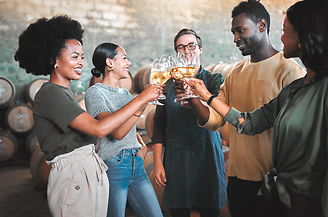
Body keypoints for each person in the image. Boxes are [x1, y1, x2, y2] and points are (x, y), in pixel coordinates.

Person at [186, 0, 328, 217]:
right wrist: (204, 98)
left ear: (307, 34)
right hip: (282, 198)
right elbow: (248, 123)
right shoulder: (297, 88)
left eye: (286, 30)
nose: (281, 36)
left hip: (314, 206)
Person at [13, 15, 162, 217]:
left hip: (88, 170)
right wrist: (141, 98)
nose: (81, 63)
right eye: (74, 57)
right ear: (53, 59)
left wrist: (133, 145)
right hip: (74, 174)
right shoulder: (51, 93)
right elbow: (99, 129)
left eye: (81, 57)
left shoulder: (64, 93)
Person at [177, 0, 305, 217]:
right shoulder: (235, 72)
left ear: (262, 26)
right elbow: (215, 119)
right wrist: (193, 101)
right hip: (237, 179)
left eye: (240, 30)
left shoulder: (290, 71)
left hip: (272, 181)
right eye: (233, 32)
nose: (235, 38)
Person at [152, 28, 227, 217]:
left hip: (206, 154)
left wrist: (192, 98)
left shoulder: (213, 80)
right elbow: (159, 123)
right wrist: (157, 162)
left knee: (211, 211)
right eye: (180, 47)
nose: (186, 50)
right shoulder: (169, 82)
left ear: (200, 49)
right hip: (176, 157)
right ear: (176, 53)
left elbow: (214, 117)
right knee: (178, 211)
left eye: (191, 45)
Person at [85, 42, 163, 217]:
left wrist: (140, 143)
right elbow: (117, 133)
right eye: (125, 58)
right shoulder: (95, 93)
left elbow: (128, 127)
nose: (129, 63)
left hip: (136, 165)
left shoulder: (125, 94)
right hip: (114, 166)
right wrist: (142, 99)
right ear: (109, 63)